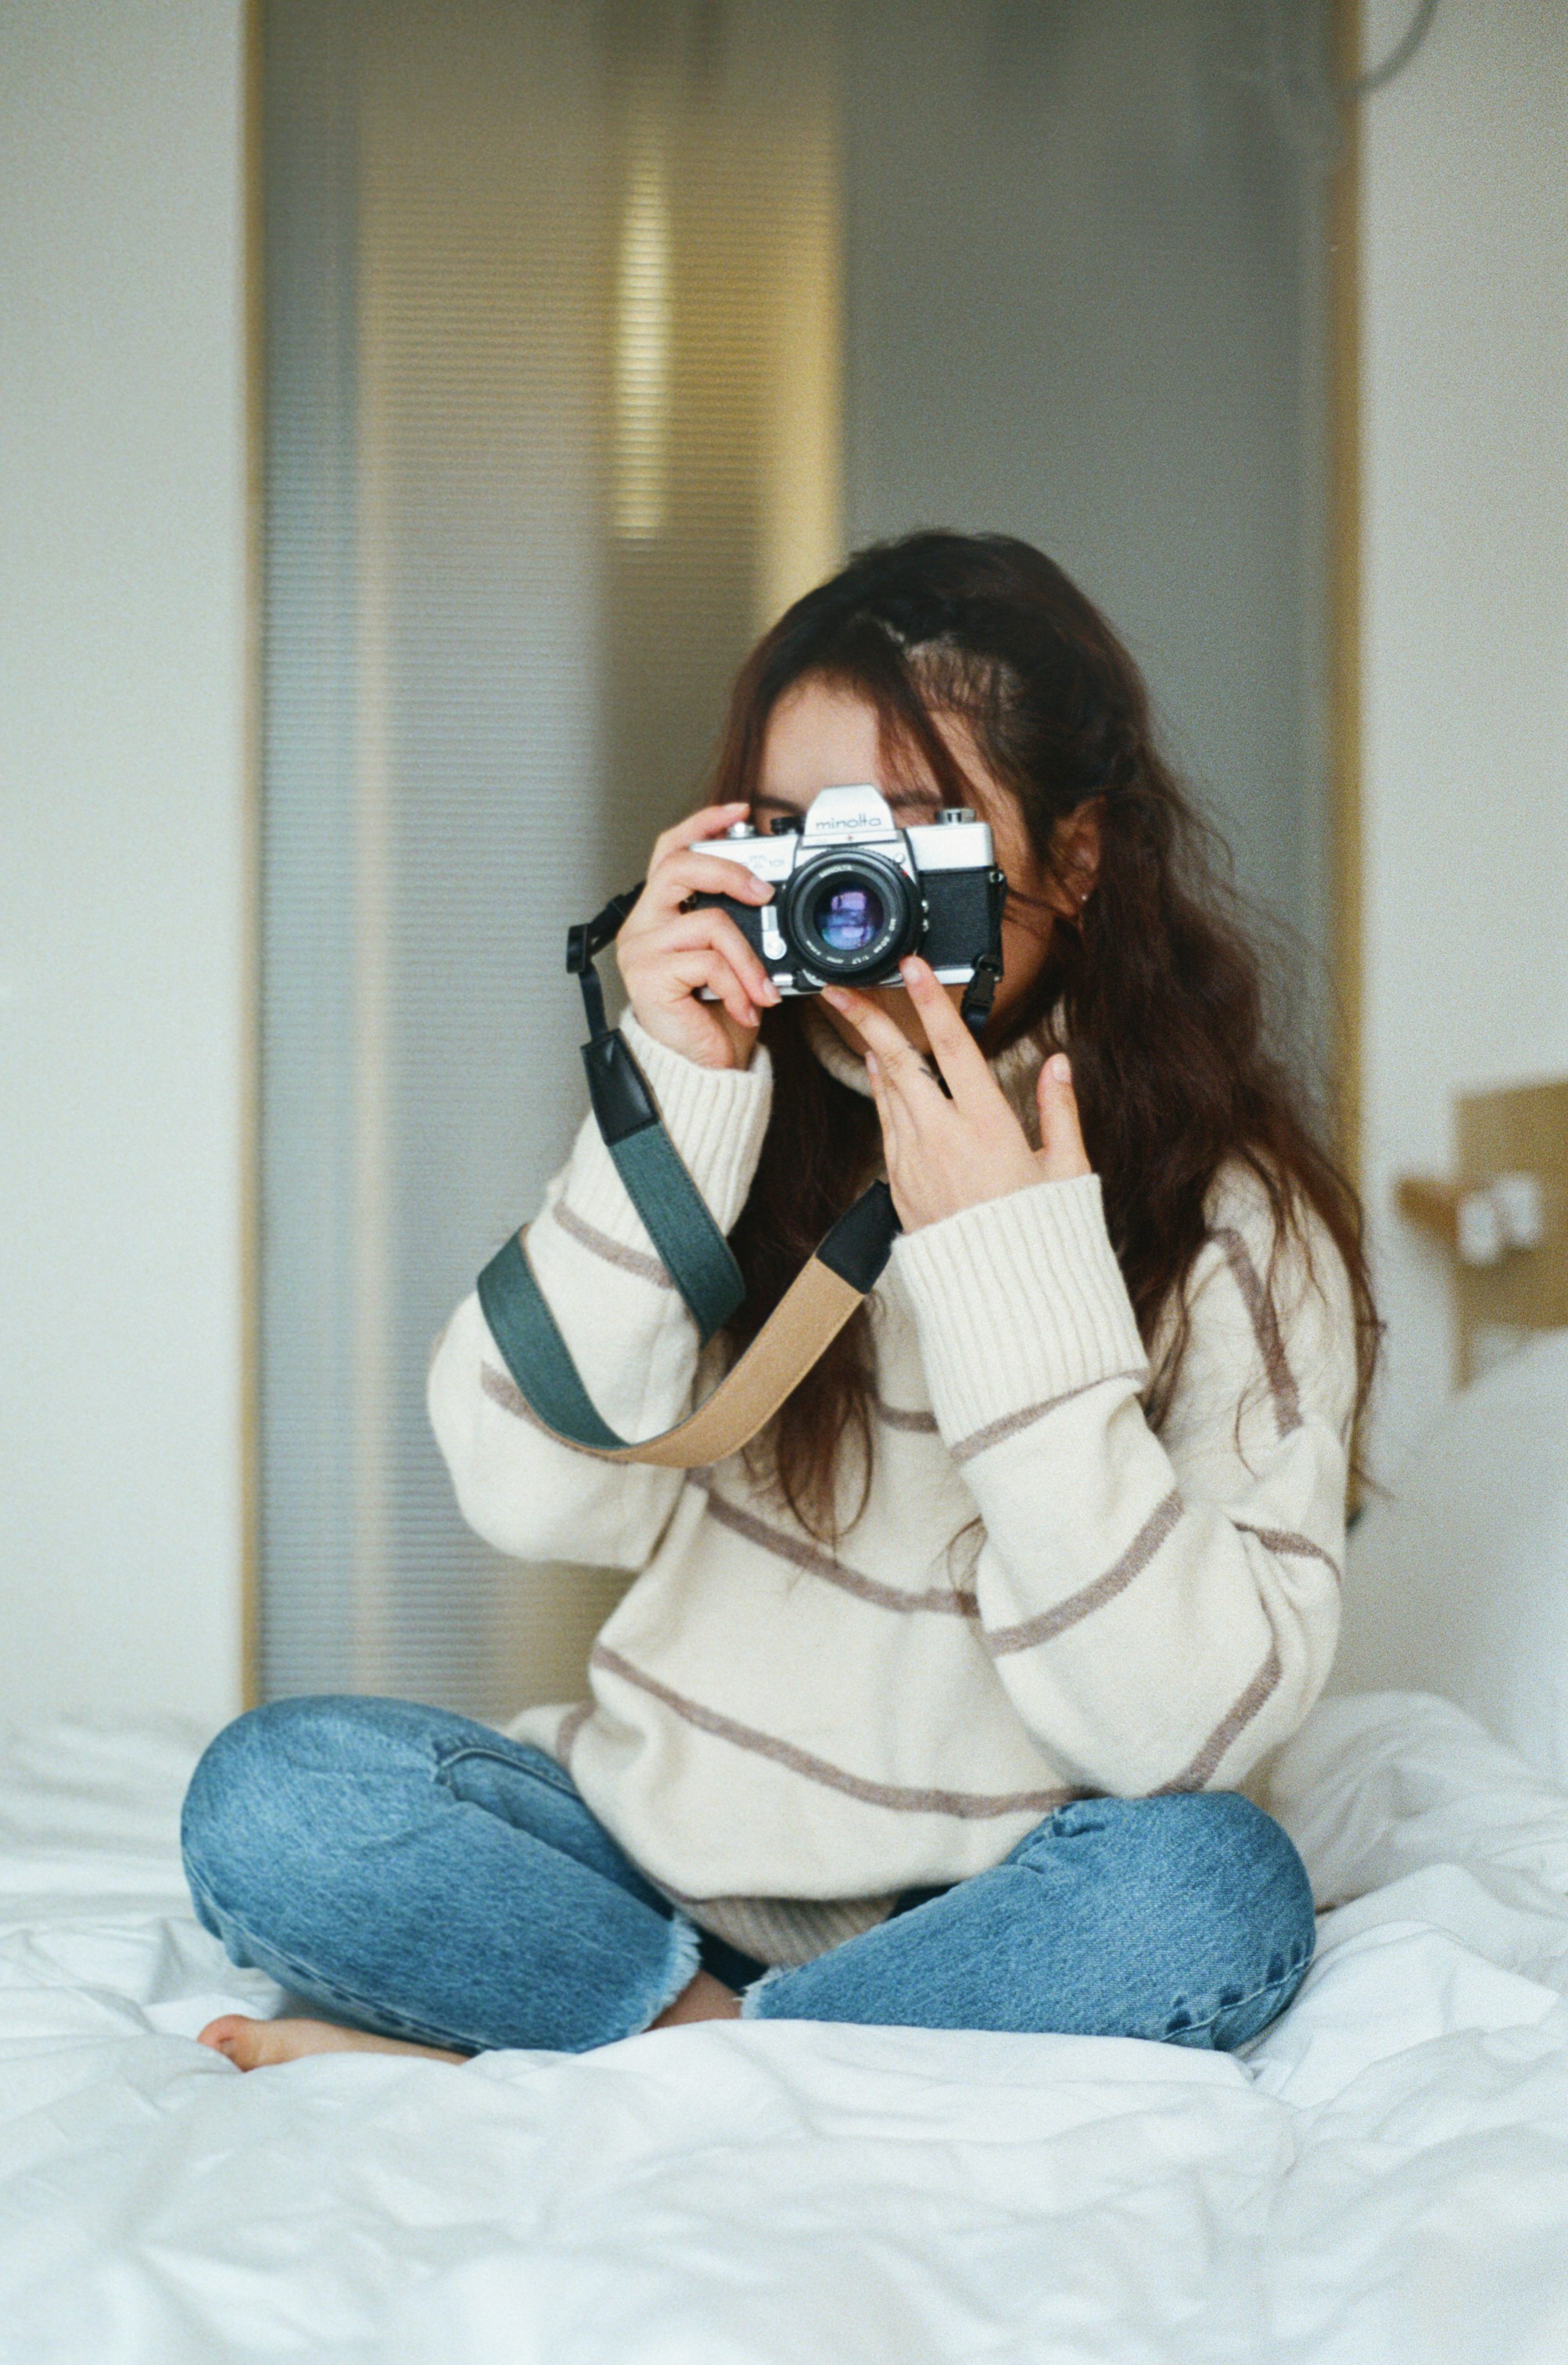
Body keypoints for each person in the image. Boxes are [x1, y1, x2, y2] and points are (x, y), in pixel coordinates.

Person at [184, 531, 1376, 2071]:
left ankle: (615, 2060)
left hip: (1003, 1908)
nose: (855, 891)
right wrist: (677, 1099)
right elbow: (533, 1500)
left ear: (1075, 858)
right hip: (649, 1866)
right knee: (277, 1794)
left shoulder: (1227, 1215)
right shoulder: (730, 1116)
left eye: (916, 833)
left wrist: (1013, 1280)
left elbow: (1182, 1738)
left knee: (1218, 1891)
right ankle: (764, 2050)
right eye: (803, 836)